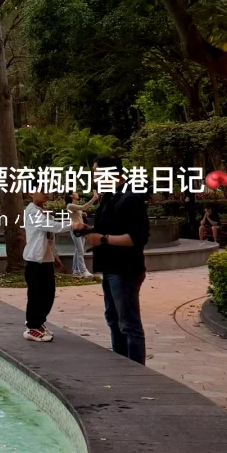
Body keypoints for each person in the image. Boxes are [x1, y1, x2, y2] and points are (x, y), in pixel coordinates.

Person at [72, 156, 150, 365]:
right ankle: (121, 365)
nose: (94, 178)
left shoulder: (131, 198)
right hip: (109, 268)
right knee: (114, 320)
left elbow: (138, 238)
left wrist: (103, 239)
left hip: (125, 270)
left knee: (129, 324)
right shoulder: (109, 197)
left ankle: (137, 371)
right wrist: (87, 229)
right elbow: (107, 228)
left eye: (96, 173)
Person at [23, 191, 68, 342]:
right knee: (36, 296)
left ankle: (39, 323)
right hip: (35, 261)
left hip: (46, 260)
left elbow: (49, 238)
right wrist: (72, 225)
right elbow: (49, 226)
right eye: (42, 190)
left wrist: (54, 255)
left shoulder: (44, 212)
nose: (46, 193)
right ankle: (31, 328)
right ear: (31, 192)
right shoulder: (32, 211)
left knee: (48, 294)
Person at [67, 191, 92, 277]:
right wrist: (94, 198)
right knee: (80, 251)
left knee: (78, 251)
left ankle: (76, 270)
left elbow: (78, 215)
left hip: (81, 230)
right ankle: (83, 270)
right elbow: (84, 207)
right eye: (75, 192)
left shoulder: (75, 206)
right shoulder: (70, 205)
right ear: (71, 195)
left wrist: (83, 214)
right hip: (75, 230)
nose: (77, 193)